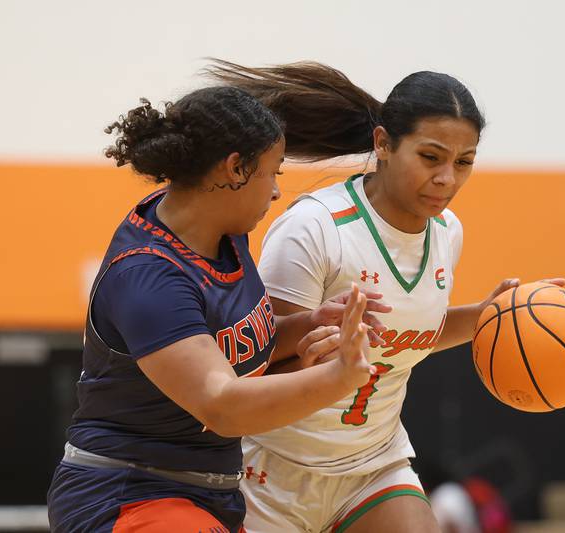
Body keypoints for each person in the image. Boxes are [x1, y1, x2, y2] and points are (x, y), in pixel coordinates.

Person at [210, 60, 565, 533]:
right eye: (431, 157)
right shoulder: (315, 228)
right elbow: (256, 363)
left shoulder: (448, 233)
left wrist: (498, 315)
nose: (447, 178)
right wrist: (323, 354)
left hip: (373, 463)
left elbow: (410, 331)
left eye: (463, 162)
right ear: (383, 144)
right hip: (278, 467)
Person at [46, 86, 384, 533]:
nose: (278, 191)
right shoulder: (149, 278)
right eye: (273, 173)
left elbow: (227, 345)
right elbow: (222, 406)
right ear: (234, 169)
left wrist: (309, 323)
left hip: (205, 494)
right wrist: (337, 377)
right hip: (129, 493)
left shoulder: (221, 231)